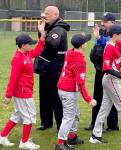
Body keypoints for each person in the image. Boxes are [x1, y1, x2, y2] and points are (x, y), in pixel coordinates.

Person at [85, 12, 121, 131]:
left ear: (112, 23)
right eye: (102, 21)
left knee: (108, 102)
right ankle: (97, 126)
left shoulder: (115, 38)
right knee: (104, 100)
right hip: (104, 72)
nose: (102, 23)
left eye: (105, 21)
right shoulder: (106, 37)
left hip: (110, 72)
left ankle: (108, 127)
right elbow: (100, 51)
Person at [0, 20, 46, 149]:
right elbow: (13, 78)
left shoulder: (26, 53)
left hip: (26, 91)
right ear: (23, 45)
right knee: (29, 117)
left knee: (17, 116)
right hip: (23, 93)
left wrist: (42, 35)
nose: (32, 45)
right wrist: (8, 95)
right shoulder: (18, 59)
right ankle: (24, 142)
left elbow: (36, 52)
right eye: (30, 44)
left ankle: (2, 136)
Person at [55, 34, 97, 150]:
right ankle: (60, 144)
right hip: (68, 91)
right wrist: (89, 99)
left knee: (75, 114)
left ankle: (72, 137)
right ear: (82, 45)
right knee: (68, 117)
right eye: (85, 41)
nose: (86, 42)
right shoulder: (80, 61)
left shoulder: (70, 52)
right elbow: (81, 83)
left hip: (63, 88)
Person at [36, 6, 70, 131]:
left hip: (54, 68)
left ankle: (60, 124)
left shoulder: (59, 29)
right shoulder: (49, 27)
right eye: (44, 13)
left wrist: (43, 35)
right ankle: (46, 121)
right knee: (44, 95)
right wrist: (42, 31)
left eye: (47, 13)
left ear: (55, 14)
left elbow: (52, 44)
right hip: (45, 67)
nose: (44, 15)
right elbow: (42, 42)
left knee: (55, 97)